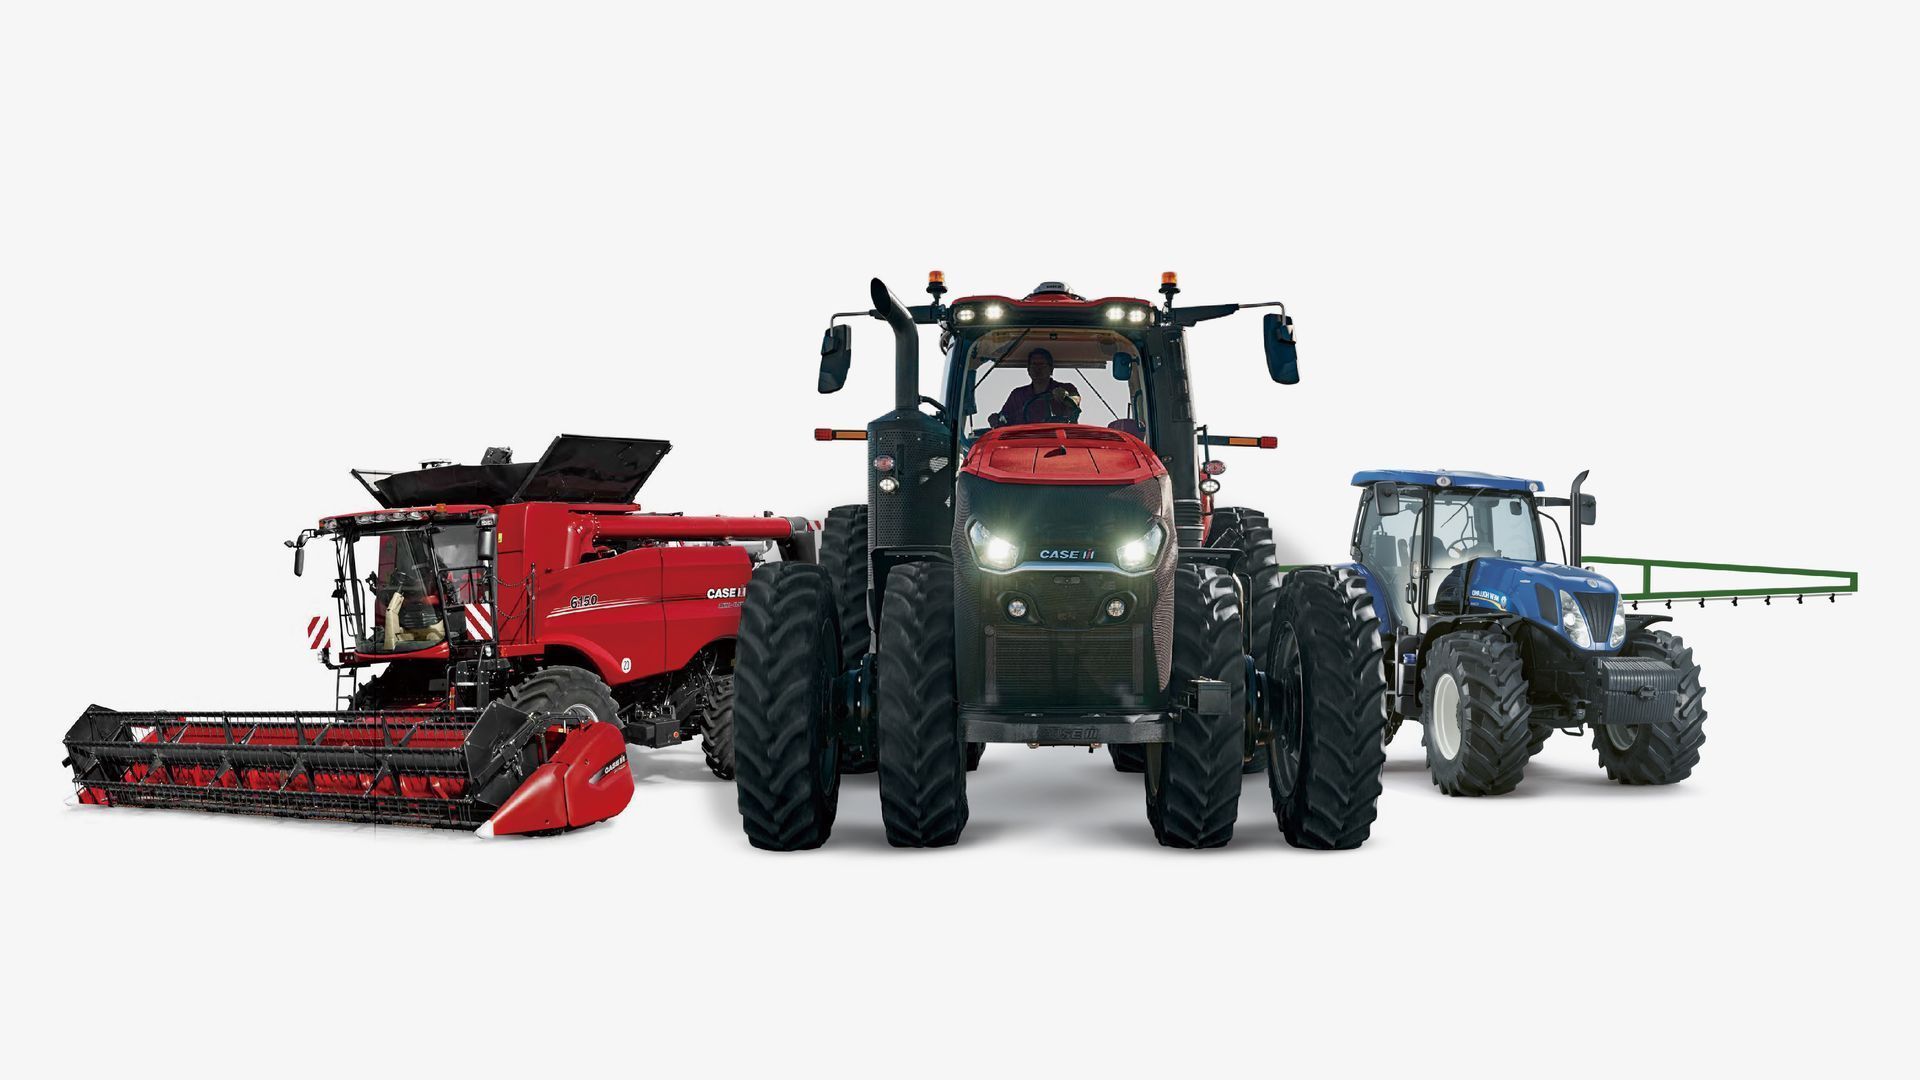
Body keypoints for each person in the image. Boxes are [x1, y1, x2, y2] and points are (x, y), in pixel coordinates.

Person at [992, 347, 1082, 425]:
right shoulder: (1017, 395)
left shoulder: (1067, 388)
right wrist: (996, 419)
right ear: (1028, 369)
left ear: (1051, 369)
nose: (1037, 369)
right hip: (1025, 442)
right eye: (1034, 365)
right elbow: (1004, 417)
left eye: (1042, 364)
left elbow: (1075, 401)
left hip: (1059, 440)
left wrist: (1065, 397)